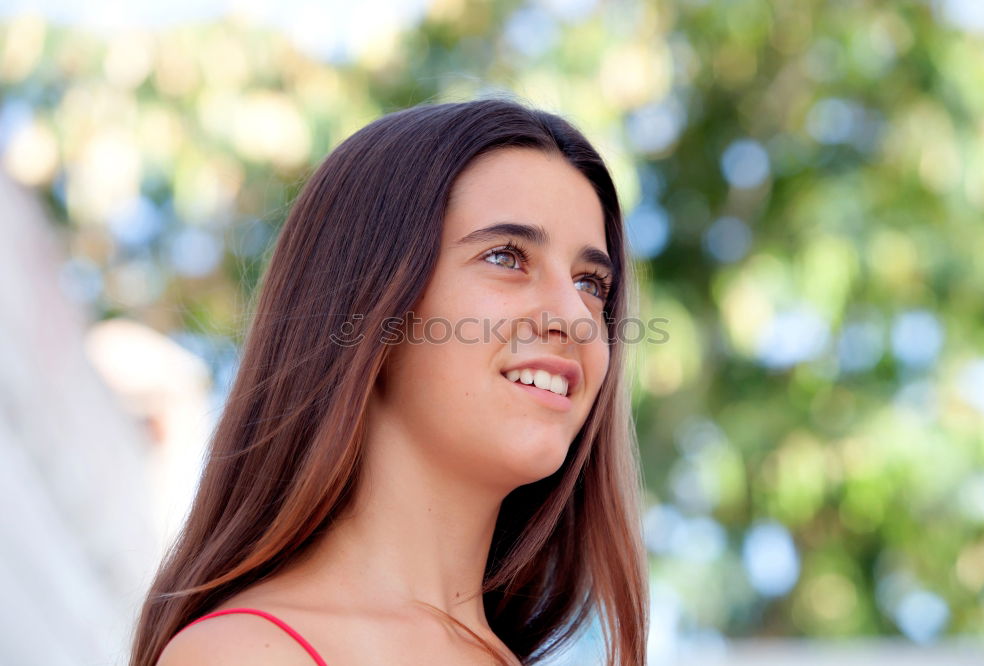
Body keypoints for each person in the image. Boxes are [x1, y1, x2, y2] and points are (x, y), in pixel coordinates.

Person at [130, 96, 649, 666]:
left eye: (592, 284)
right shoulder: (240, 655)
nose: (575, 316)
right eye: (506, 256)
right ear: (367, 304)